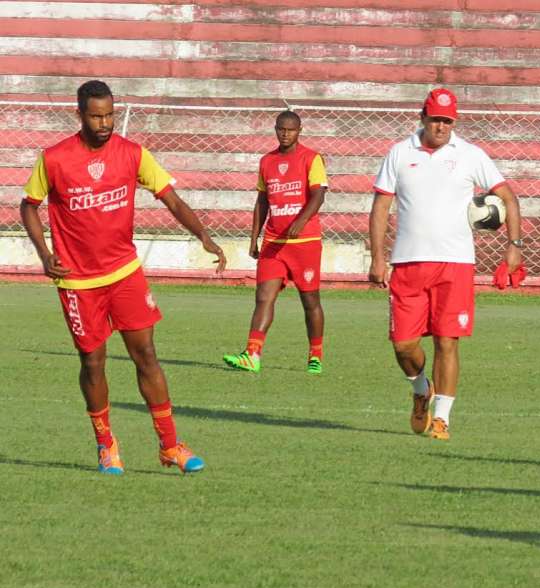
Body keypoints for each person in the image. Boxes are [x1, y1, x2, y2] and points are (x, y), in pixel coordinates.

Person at [19, 80, 226, 474]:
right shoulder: (54, 159)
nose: (105, 123)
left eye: (110, 115)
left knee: (146, 354)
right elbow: (28, 206)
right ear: (79, 114)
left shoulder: (132, 154)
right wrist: (45, 254)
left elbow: (171, 198)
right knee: (93, 362)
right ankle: (106, 445)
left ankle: (170, 445)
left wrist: (203, 235)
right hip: (78, 281)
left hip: (125, 273)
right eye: (96, 116)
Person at [368, 88, 522, 441]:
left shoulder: (470, 154)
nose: (441, 126)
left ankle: (441, 419)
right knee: (403, 345)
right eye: (436, 119)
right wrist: (378, 257)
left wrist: (514, 246)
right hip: (407, 263)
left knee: (447, 342)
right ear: (423, 117)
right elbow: (381, 207)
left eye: (448, 121)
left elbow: (508, 198)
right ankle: (421, 388)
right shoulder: (399, 152)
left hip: (455, 264)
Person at [222, 111, 328, 374]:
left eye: (290, 129)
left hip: (305, 242)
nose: (285, 133)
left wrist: (301, 221)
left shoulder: (311, 158)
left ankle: (315, 355)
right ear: (275, 129)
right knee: (263, 297)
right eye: (281, 129)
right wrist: (254, 237)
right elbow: (262, 201)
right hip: (273, 242)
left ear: (299, 130)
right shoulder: (267, 161)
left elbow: (318, 195)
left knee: (310, 301)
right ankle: (252, 354)